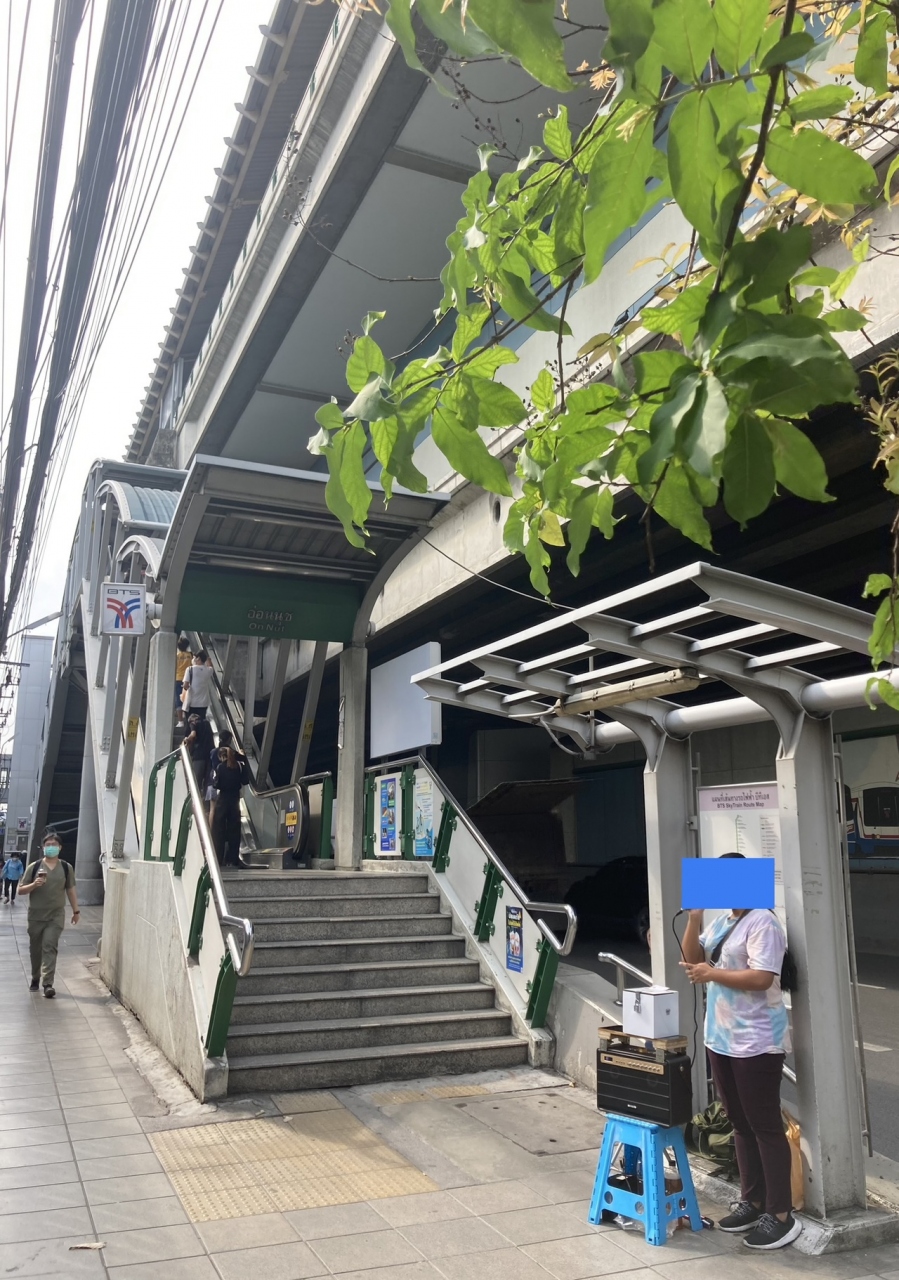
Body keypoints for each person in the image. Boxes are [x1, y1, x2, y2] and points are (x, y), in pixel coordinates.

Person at [680, 853, 799, 1251]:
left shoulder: (763, 921)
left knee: (764, 1125)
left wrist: (711, 973)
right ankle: (753, 1201)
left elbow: (763, 977)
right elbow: (692, 960)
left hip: (757, 1040)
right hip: (721, 1038)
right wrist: (694, 918)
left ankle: (781, 1216)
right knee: (739, 1122)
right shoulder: (723, 921)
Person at [17, 832, 80, 998]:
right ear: (43, 847)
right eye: (48, 845)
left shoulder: (66, 867)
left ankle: (48, 984)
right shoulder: (35, 867)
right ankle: (35, 977)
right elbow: (20, 890)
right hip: (36, 916)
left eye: (54, 845)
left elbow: (70, 890)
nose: (51, 847)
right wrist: (34, 884)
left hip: (56, 915)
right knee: (35, 949)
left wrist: (76, 911)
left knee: (50, 946)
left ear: (60, 847)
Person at [210, 743, 250, 868]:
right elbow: (245, 781)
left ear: (222, 756)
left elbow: (216, 784)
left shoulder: (220, 767)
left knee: (219, 830)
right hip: (235, 801)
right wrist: (243, 759)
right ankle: (232, 859)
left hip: (223, 800)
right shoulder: (239, 766)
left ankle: (218, 858)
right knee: (234, 830)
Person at [184, 713, 215, 793]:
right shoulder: (207, 723)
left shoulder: (193, 723)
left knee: (196, 780)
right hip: (210, 754)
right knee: (207, 779)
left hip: (198, 755)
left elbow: (193, 734)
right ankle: (205, 797)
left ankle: (196, 796)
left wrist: (187, 740)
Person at [181, 650, 213, 718]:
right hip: (204, 703)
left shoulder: (190, 669)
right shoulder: (208, 670)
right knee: (200, 721)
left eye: (194, 657)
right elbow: (210, 666)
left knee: (191, 721)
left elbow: (185, 686)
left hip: (192, 703)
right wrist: (208, 659)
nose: (193, 659)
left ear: (198, 658)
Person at [174, 637, 193, 723]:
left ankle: (180, 721)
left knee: (178, 699)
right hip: (188, 680)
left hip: (178, 679)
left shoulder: (176, 656)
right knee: (188, 698)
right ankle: (188, 717)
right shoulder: (191, 655)